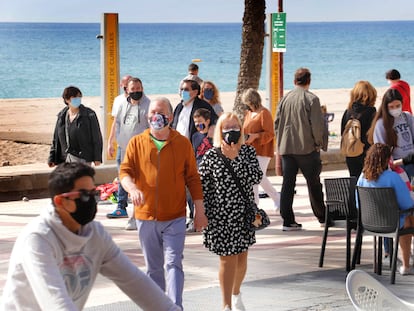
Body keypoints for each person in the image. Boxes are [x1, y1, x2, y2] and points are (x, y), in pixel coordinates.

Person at [0, 162, 180, 311]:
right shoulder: (38, 239)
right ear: (60, 201)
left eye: (94, 194)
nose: (92, 201)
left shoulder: (96, 235)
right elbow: (55, 302)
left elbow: (134, 281)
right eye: (84, 196)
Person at [119, 97, 208, 309]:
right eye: (151, 113)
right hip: (145, 217)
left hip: (175, 217)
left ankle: (175, 307)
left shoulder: (182, 143)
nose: (154, 116)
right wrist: (132, 188)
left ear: (169, 116)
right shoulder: (137, 142)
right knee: (153, 269)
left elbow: (193, 179)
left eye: (159, 112)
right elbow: (125, 172)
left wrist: (200, 211)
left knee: (173, 263)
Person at [198, 112, 262, 311]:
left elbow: (257, 177)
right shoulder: (211, 155)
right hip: (220, 216)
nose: (231, 131)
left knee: (241, 259)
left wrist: (237, 159)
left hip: (243, 214)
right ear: (219, 131)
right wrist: (201, 213)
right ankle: (226, 305)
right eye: (227, 128)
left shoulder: (247, 152)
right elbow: (202, 186)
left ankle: (236, 293)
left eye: (235, 127)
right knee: (227, 259)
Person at [274, 68, 327, 231]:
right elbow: (317, 126)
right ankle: (322, 217)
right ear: (308, 81)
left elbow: (277, 123)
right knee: (313, 183)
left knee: (288, 184)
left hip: (287, 148)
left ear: (294, 81)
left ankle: (287, 220)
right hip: (307, 149)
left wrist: (281, 142)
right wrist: (319, 144)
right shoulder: (311, 99)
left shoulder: (285, 99)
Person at [357, 143, 414, 276]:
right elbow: (407, 204)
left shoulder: (362, 178)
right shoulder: (392, 177)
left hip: (370, 222)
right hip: (392, 222)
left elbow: (358, 203)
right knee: (409, 220)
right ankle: (406, 265)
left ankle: (406, 264)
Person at [106, 77, 150, 227]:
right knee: (124, 180)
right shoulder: (122, 104)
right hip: (123, 149)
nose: (136, 91)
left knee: (138, 183)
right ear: (127, 90)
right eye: (133, 89)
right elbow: (116, 124)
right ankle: (123, 207)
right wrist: (110, 142)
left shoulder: (148, 105)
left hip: (141, 151)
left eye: (139, 88)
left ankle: (136, 215)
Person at [242, 88, 280, 213]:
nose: (248, 106)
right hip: (250, 150)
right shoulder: (248, 113)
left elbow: (269, 133)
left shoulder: (264, 113)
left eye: (249, 103)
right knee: (257, 177)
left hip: (262, 151)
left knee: (257, 177)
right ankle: (274, 198)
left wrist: (256, 136)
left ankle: (259, 203)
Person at [48, 86, 103, 167]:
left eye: (79, 97)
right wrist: (52, 158)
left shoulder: (89, 114)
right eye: (74, 97)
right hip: (66, 157)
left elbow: (96, 137)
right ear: (67, 100)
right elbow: (56, 138)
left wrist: (97, 157)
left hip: (83, 157)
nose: (78, 99)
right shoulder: (62, 116)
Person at [368, 88, 414, 180]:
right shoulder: (381, 124)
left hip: (411, 160)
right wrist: (392, 164)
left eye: (398, 106)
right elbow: (380, 148)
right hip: (396, 165)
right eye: (391, 107)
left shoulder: (407, 117)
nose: (395, 109)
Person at [340, 80, 377, 178]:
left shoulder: (347, 112)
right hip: (366, 153)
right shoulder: (371, 112)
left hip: (350, 152)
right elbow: (373, 135)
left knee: (354, 180)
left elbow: (342, 133)